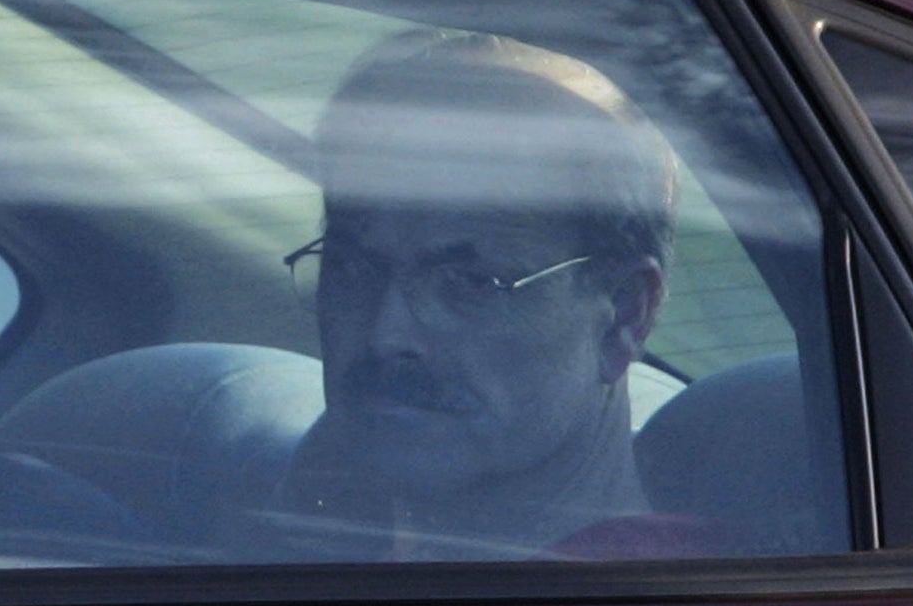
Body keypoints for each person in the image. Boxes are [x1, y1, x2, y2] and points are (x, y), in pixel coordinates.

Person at [282, 30, 679, 561]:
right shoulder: (289, 555)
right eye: (353, 267)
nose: (385, 334)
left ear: (624, 317)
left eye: (470, 285)